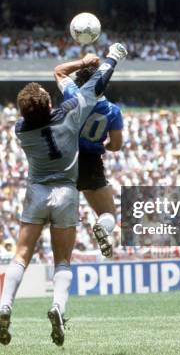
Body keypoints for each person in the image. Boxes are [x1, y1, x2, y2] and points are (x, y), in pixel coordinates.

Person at [0, 43, 128, 347]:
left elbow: (51, 93)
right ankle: (58, 307)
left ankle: (5, 306)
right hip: (67, 193)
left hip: (37, 192)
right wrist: (111, 57)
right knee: (63, 262)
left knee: (21, 255)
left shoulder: (21, 130)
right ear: (47, 104)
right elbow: (98, 83)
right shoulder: (69, 113)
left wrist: (81, 63)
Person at [54, 59, 124, 257]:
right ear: (104, 84)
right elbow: (116, 145)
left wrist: (83, 61)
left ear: (79, 81)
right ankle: (102, 229)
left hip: (63, 159)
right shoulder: (113, 111)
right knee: (107, 214)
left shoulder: (72, 94)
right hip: (90, 162)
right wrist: (104, 145)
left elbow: (59, 71)